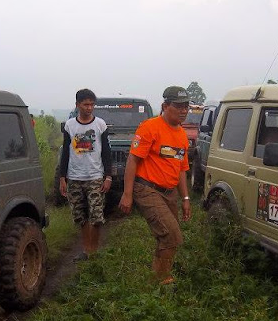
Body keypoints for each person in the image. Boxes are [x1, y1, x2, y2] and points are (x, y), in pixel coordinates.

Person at [119, 86, 192, 284]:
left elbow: (181, 169)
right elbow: (132, 160)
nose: (184, 110)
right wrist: (127, 194)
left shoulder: (182, 135)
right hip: (147, 189)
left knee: (167, 237)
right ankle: (162, 280)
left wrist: (185, 198)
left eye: (186, 106)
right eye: (178, 106)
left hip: (169, 193)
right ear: (165, 106)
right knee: (172, 234)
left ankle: (157, 276)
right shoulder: (150, 127)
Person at [59, 89, 113, 261]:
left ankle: (93, 251)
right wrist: (62, 178)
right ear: (77, 105)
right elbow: (65, 154)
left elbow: (106, 152)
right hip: (74, 178)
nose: (89, 108)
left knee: (96, 217)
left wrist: (108, 176)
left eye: (92, 104)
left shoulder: (100, 125)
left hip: (96, 177)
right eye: (86, 104)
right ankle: (85, 249)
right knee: (80, 217)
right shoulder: (70, 126)